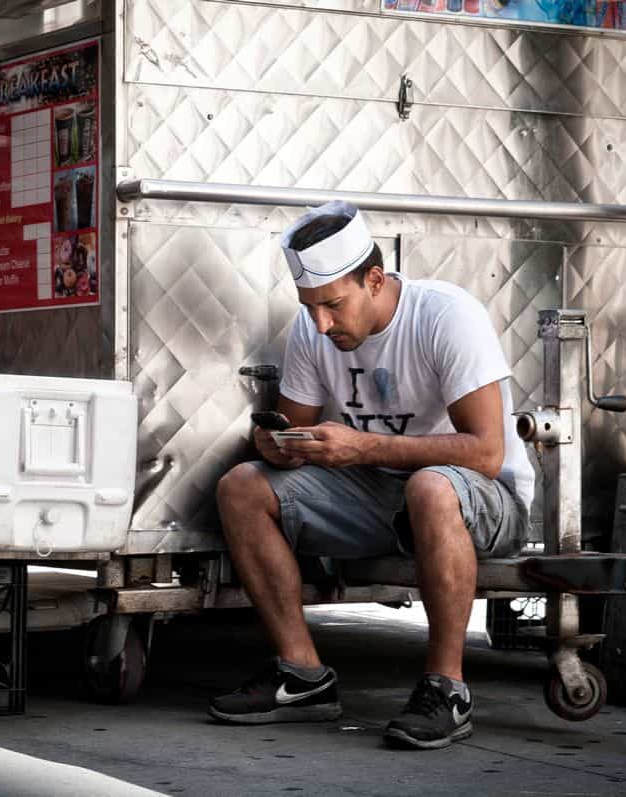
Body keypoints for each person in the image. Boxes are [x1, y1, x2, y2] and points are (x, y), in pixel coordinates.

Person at [210, 201, 534, 750]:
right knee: (242, 486)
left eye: (333, 305)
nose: (321, 323)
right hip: (378, 494)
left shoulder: (445, 315)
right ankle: (302, 676)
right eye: (310, 307)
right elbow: (297, 428)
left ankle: (446, 689)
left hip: (483, 497)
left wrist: (364, 446)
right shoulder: (312, 331)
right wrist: (278, 443)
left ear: (376, 280)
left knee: (430, 486)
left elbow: (484, 453)